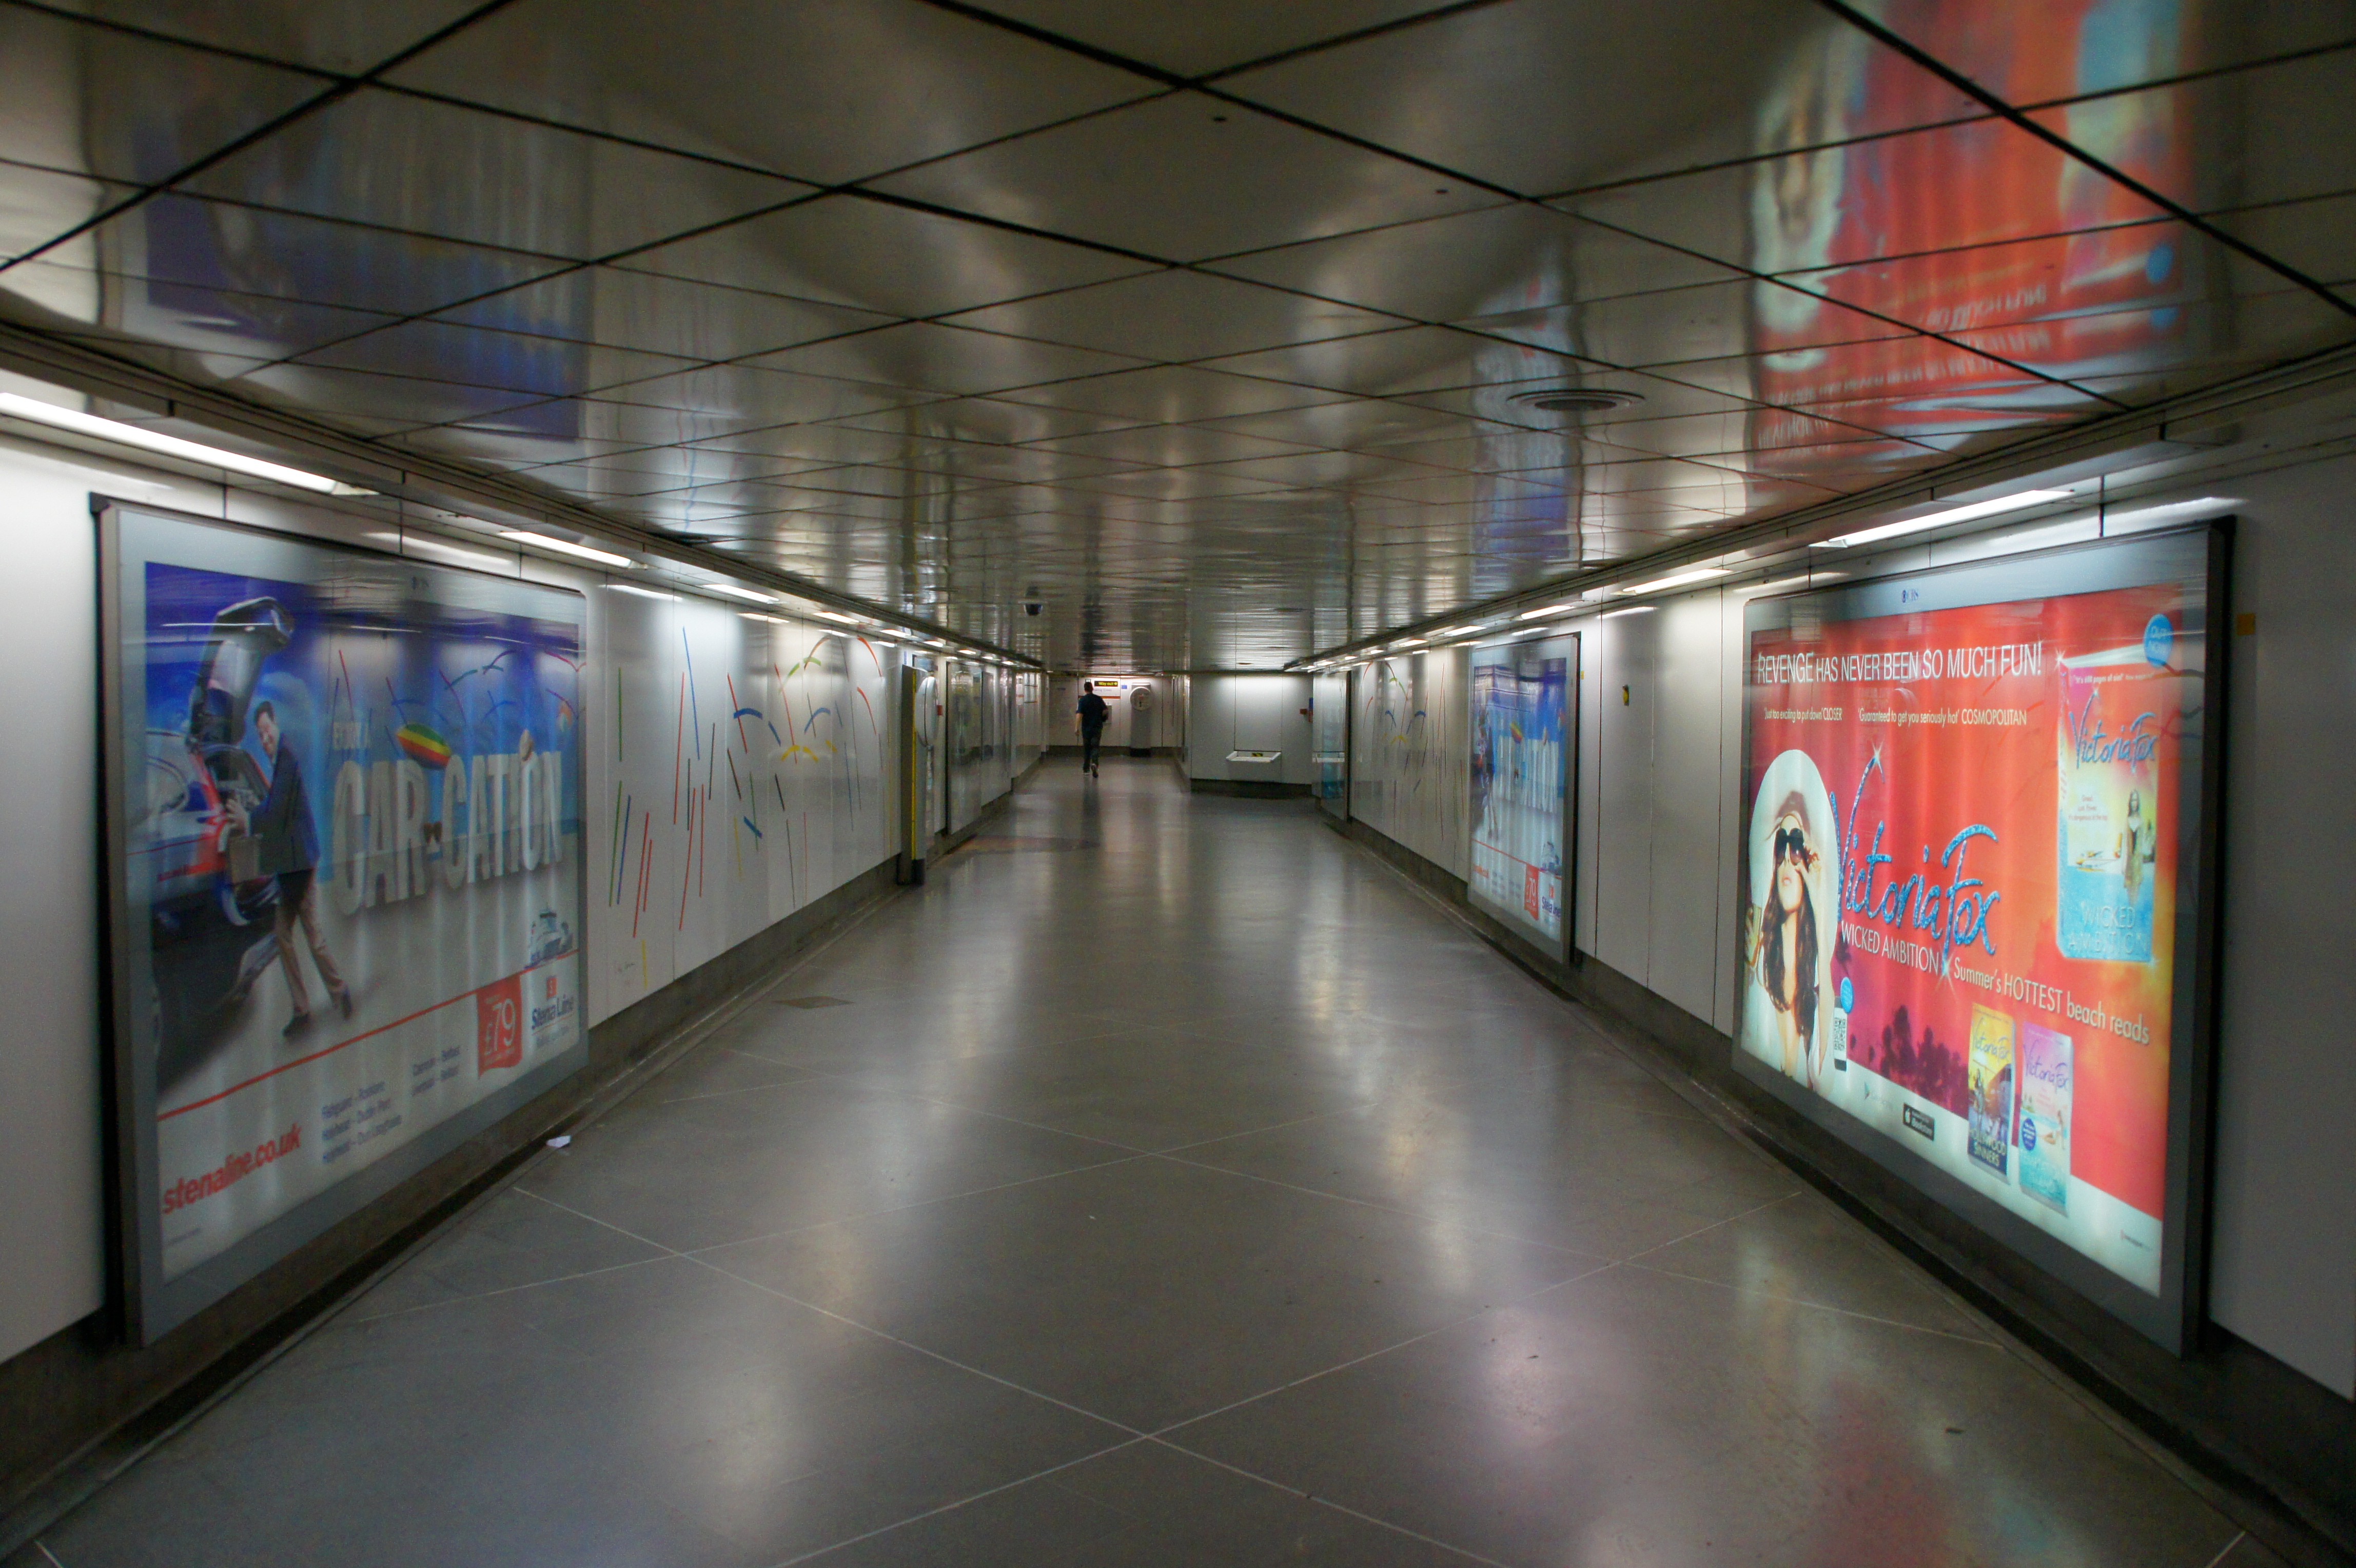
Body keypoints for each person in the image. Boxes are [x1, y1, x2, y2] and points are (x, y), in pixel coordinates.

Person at [232, 700, 352, 1037]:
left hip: (299, 866)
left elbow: (275, 814)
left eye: (266, 730)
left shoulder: (286, 757)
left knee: (297, 935)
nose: (264, 737)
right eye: (259, 734)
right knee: (297, 936)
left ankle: (314, 1005)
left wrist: (247, 820)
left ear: (276, 724)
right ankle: (327, 997)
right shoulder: (280, 758)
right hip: (296, 864)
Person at [1076, 682, 1109, 776]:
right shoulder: (1099, 699)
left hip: (1086, 729)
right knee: (1095, 747)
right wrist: (1102, 718)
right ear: (1092, 688)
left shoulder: (1082, 700)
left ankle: (1086, 769)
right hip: (1097, 727)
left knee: (1087, 748)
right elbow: (1105, 711)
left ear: (1085, 689)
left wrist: (1076, 727)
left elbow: (1079, 714)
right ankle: (1094, 763)